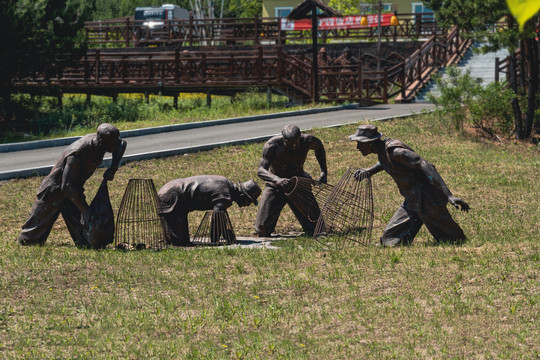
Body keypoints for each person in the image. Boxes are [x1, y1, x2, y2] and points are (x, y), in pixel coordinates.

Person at [349, 124, 469, 246]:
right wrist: (368, 171)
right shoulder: (383, 151)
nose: (358, 147)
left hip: (427, 197)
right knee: (390, 240)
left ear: (370, 143)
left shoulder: (397, 152)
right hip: (412, 198)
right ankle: (418, 217)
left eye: (360, 143)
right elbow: (385, 162)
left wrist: (449, 195)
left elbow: (425, 165)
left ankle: (433, 221)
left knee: (452, 239)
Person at [18, 123, 127, 248]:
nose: (115, 145)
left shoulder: (104, 143)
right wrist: (85, 210)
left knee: (87, 241)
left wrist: (113, 168)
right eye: (112, 144)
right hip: (54, 191)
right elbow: (66, 186)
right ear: (102, 141)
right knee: (29, 239)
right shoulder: (78, 153)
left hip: (74, 192)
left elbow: (121, 145)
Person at [254, 124, 328, 237]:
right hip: (276, 184)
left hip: (298, 181)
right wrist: (276, 179)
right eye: (288, 143)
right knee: (262, 229)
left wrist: (324, 171)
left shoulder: (308, 140)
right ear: (283, 138)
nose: (292, 146)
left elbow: (319, 148)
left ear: (300, 136)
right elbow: (261, 170)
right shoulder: (272, 145)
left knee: (317, 228)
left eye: (295, 142)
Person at [157, 175, 261, 246]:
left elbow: (220, 216)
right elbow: (217, 217)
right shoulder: (225, 195)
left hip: (173, 192)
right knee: (179, 242)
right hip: (173, 195)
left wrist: (225, 234)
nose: (247, 205)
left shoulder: (226, 184)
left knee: (180, 239)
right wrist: (214, 241)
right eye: (249, 201)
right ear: (243, 195)